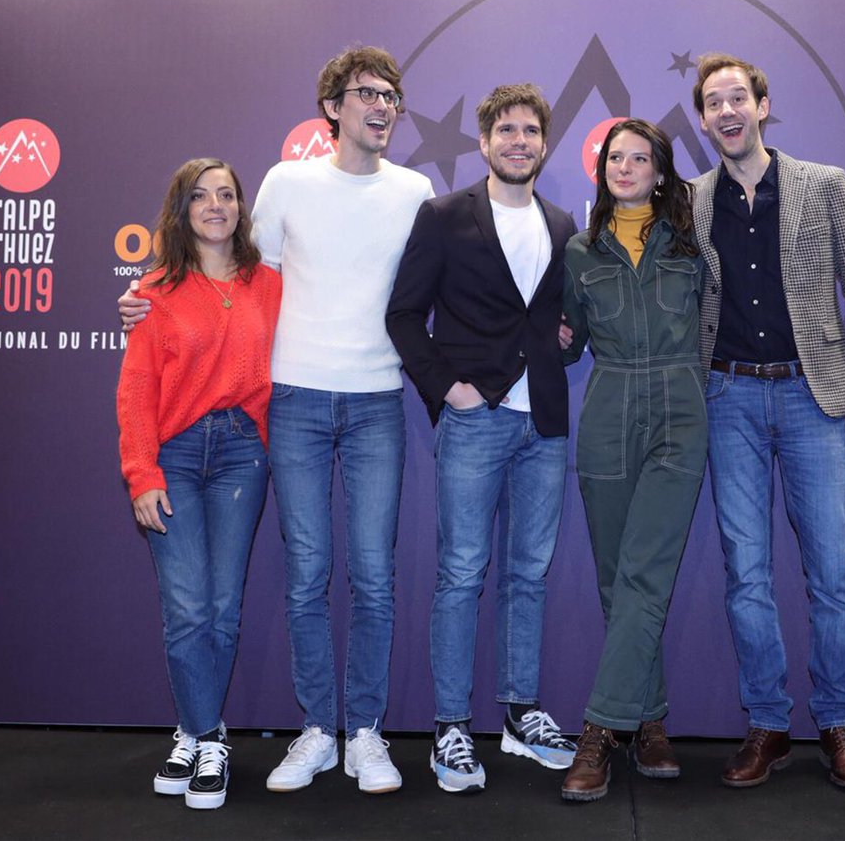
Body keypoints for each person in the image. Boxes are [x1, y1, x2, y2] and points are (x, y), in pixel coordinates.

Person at [119, 47, 434, 796]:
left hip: (377, 402)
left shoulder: (416, 190)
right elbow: (228, 268)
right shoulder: (287, 182)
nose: (382, 105)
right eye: (366, 93)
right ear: (333, 106)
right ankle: (317, 730)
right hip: (293, 403)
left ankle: (364, 732)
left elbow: (438, 286)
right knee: (306, 576)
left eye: (391, 95)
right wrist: (146, 298)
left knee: (374, 576)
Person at [690, 54, 845, 790]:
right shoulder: (692, 199)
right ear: (704, 119)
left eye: (738, 97)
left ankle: (838, 723)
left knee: (833, 570)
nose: (728, 110)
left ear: (763, 105)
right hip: (728, 399)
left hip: (814, 397)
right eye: (714, 102)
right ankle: (768, 725)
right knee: (746, 572)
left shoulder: (823, 184)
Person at [386, 84, 577, 794]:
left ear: (544, 144)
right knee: (462, 574)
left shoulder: (563, 225)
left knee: (528, 574)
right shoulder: (442, 216)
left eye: (530, 131)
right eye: (506, 130)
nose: (518, 141)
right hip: (475, 421)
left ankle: (520, 714)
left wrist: (569, 337)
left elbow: (562, 320)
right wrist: (448, 390)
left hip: (543, 423)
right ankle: (451, 726)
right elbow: (404, 315)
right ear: (485, 140)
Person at [117, 158, 281, 810]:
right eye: (201, 196)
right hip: (176, 455)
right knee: (187, 606)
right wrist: (142, 473)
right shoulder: (154, 291)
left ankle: (196, 735)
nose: (216, 206)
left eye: (227, 195)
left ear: (242, 208)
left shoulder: (269, 285)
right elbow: (136, 390)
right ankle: (205, 735)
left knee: (221, 607)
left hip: (243, 455)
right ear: (181, 210)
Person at [558, 120, 707, 802]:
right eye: (615, 157)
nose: (624, 167)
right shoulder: (579, 251)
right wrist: (554, 337)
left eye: (639, 157)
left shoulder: (692, 244)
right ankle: (648, 721)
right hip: (609, 410)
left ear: (660, 171)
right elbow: (569, 341)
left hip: (679, 409)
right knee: (618, 579)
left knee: (646, 572)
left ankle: (599, 730)